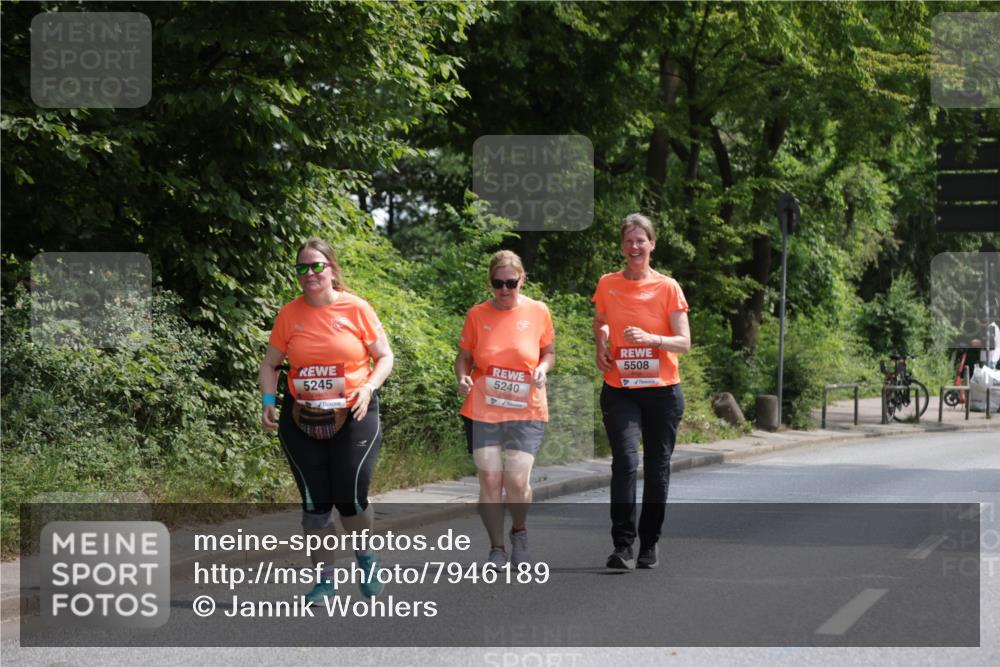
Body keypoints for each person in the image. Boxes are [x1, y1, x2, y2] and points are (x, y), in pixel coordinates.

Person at [259, 238, 394, 602]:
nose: (309, 274)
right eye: (302, 268)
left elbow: (384, 357)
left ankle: (366, 557)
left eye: (317, 266)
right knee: (315, 503)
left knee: (350, 497)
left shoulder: (356, 308)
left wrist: (368, 387)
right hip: (301, 415)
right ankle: (325, 580)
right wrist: (268, 400)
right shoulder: (290, 314)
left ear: (331, 269)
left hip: (354, 412)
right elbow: (271, 363)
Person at [593, 213, 690, 570]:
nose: (635, 247)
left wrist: (653, 339)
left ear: (652, 244)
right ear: (622, 246)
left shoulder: (668, 287)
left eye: (641, 240)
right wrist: (600, 345)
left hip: (662, 391)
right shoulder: (608, 284)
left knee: (657, 467)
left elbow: (684, 342)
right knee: (625, 462)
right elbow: (601, 321)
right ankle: (623, 545)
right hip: (620, 387)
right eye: (629, 241)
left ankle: (649, 542)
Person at [455, 250, 555, 567]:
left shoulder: (538, 311)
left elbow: (549, 351)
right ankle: (497, 548)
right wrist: (462, 377)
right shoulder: (477, 315)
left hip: (527, 407)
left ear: (522, 279)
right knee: (489, 478)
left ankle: (519, 531)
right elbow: (464, 357)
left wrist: (543, 368)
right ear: (491, 283)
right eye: (498, 283)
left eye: (511, 282)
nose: (505, 290)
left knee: (515, 479)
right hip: (484, 407)